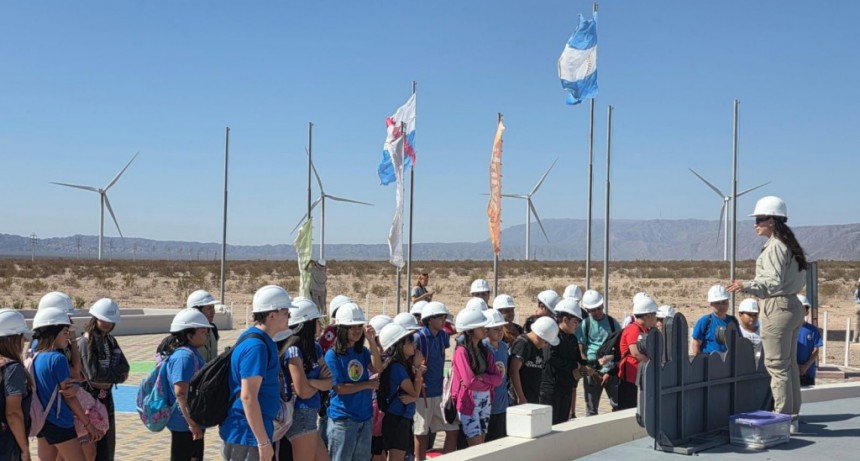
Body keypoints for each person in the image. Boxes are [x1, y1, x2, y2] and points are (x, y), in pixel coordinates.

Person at [728, 195, 807, 432]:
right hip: (792, 305)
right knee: (789, 364)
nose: (756, 224)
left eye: (760, 219)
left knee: (776, 366)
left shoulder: (774, 247)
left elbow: (771, 282)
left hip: (777, 307)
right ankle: (792, 417)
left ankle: (782, 418)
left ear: (772, 220)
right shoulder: (790, 245)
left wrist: (746, 286)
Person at [221, 285, 294, 461]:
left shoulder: (258, 340)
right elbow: (248, 397)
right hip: (246, 436)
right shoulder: (257, 347)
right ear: (272, 315)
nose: (289, 317)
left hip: (251, 433)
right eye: (286, 312)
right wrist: (262, 442)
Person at [31, 307, 100, 461]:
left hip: (43, 422)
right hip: (60, 421)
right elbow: (69, 396)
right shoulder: (58, 359)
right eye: (65, 333)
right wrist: (88, 425)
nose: (67, 338)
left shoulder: (36, 357)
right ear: (53, 333)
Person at [325, 302, 383, 461]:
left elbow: (378, 368)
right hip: (344, 420)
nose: (357, 330)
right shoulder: (332, 355)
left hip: (364, 418)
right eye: (352, 327)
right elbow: (339, 388)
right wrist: (368, 385)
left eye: (359, 326)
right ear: (342, 329)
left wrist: (372, 342)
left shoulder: (362, 352)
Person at [76, 298, 129, 461]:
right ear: (95, 318)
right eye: (104, 319)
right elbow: (94, 374)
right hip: (90, 400)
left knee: (107, 442)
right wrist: (115, 376)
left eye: (110, 321)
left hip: (106, 398)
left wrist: (110, 375)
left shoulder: (110, 341)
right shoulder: (86, 342)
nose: (107, 324)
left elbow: (125, 367)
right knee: (91, 444)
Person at [281, 297, 331, 461]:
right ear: (307, 324)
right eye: (317, 321)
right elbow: (302, 392)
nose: (321, 325)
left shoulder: (315, 348)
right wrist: (317, 385)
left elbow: (330, 381)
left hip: (310, 416)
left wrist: (310, 383)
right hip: (300, 416)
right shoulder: (293, 351)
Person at [158, 309, 212, 461]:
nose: (206, 335)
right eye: (203, 332)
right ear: (189, 335)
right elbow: (181, 393)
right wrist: (192, 423)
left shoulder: (190, 353)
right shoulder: (184, 357)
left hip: (190, 422)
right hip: (184, 425)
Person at [412, 302, 458, 460]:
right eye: (440, 317)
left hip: (440, 392)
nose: (444, 320)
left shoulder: (443, 336)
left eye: (445, 316)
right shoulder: (418, 338)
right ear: (429, 319)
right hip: (422, 393)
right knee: (421, 432)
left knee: (452, 428)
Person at [451, 309, 502, 446]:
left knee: (481, 444)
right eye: (481, 326)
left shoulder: (484, 350)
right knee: (476, 445)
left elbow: (498, 379)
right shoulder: (461, 352)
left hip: (485, 401)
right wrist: (488, 382)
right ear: (470, 330)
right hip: (469, 403)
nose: (485, 329)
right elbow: (469, 382)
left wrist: (483, 378)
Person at [378, 323, 425, 461]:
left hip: (401, 416)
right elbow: (415, 392)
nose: (414, 345)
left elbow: (414, 395)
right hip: (397, 418)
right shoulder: (397, 367)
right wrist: (417, 369)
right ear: (400, 346)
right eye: (410, 342)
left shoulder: (401, 365)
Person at [576, 289, 620, 416]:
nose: (597, 312)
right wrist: (591, 371)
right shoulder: (585, 324)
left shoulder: (612, 323)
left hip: (611, 371)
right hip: (591, 372)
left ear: (602, 306)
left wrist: (610, 372)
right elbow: (581, 351)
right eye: (592, 310)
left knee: (618, 407)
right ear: (588, 310)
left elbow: (619, 348)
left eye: (598, 308)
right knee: (591, 410)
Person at [540, 298, 583, 424]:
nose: (577, 325)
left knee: (563, 424)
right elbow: (550, 358)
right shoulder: (553, 336)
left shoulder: (573, 339)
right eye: (575, 322)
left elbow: (578, 360)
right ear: (565, 320)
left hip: (566, 387)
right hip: (551, 389)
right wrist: (573, 365)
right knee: (550, 425)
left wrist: (592, 365)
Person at [0, 309, 33, 461]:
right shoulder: (12, 369)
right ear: (12, 339)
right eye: (21, 335)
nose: (25, 340)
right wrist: (25, 450)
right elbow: (13, 413)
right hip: (7, 444)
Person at [617, 295, 658, 410]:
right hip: (630, 380)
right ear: (648, 315)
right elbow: (635, 353)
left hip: (638, 378)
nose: (656, 318)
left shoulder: (645, 330)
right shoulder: (633, 329)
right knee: (628, 410)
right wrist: (653, 364)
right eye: (655, 315)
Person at [509, 317, 559, 405]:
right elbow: (513, 370)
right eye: (546, 342)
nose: (546, 346)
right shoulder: (523, 344)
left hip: (533, 397)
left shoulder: (538, 346)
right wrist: (520, 397)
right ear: (538, 336)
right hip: (521, 399)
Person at [481, 310, 509, 441]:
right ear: (486, 330)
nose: (499, 331)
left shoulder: (504, 347)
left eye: (501, 328)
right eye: (495, 329)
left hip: (502, 404)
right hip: (487, 406)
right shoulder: (482, 348)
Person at [691, 285, 739, 356]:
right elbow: (696, 343)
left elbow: (738, 342)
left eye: (724, 302)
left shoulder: (733, 321)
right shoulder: (705, 321)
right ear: (711, 304)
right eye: (717, 303)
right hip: (709, 362)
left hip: (728, 363)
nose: (721, 306)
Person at [186, 290, 220, 363]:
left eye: (213, 307)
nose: (213, 312)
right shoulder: (185, 333)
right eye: (208, 308)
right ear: (196, 311)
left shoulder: (213, 329)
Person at [796, 295, 823, 387]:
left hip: (808, 372)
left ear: (807, 312)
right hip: (792, 372)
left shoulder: (812, 330)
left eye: (803, 309)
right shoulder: (788, 330)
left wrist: (805, 366)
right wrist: (796, 366)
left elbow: (816, 350)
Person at [854, 278, 860, 343]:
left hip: (857, 305)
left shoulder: (857, 290)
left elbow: (855, 298)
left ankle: (855, 338)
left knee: (857, 323)